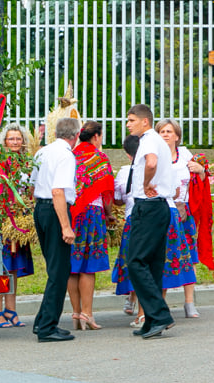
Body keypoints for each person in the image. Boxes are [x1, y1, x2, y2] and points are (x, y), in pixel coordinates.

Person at [125, 104, 176, 339]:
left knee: (135, 260)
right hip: (159, 207)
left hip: (148, 205)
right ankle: (153, 320)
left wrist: (146, 184)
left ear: (145, 121)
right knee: (152, 263)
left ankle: (160, 314)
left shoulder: (148, 139)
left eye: (132, 120)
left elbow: (152, 163)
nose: (128, 124)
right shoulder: (156, 139)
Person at [31, 117, 80, 342]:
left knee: (54, 267)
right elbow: (58, 191)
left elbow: (33, 183)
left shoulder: (42, 152)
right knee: (60, 270)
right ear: (76, 136)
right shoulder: (66, 155)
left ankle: (42, 319)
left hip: (41, 209)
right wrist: (66, 226)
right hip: (55, 209)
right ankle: (48, 326)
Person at [0, 124, 35, 328]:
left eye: (18, 138)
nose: (15, 142)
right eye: (11, 139)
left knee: (13, 268)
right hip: (1, 221)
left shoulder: (27, 163)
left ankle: (11, 311)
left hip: (19, 221)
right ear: (4, 141)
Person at [156, 118, 206, 318]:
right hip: (165, 211)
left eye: (169, 131)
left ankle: (189, 302)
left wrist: (201, 170)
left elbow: (199, 181)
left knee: (190, 257)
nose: (166, 135)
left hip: (186, 212)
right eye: (162, 131)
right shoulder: (154, 156)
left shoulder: (185, 155)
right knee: (164, 257)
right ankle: (161, 302)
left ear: (177, 136)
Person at [67, 121, 114, 330]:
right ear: (96, 137)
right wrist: (110, 214)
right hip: (93, 214)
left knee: (72, 266)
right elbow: (107, 194)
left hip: (70, 215)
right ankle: (87, 313)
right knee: (88, 267)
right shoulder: (100, 158)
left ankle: (76, 314)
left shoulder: (70, 156)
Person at [111, 135, 139, 321]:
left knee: (133, 260)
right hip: (150, 217)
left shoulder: (124, 172)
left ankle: (132, 297)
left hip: (132, 218)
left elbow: (118, 199)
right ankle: (134, 298)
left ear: (128, 155)